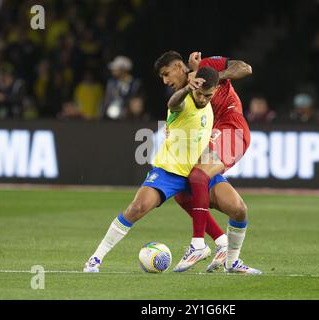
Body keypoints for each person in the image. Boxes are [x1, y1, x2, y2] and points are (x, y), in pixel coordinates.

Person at [83, 67, 221, 273]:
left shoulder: (210, 103)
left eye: (207, 95)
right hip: (169, 171)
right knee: (136, 208)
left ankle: (230, 254)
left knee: (236, 208)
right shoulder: (185, 101)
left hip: (197, 173)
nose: (201, 98)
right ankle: (95, 258)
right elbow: (173, 103)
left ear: (215, 91)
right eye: (198, 93)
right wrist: (185, 90)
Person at [156, 51, 261, 274]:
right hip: (210, 136)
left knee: (197, 176)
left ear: (178, 66)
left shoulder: (206, 66)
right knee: (188, 193)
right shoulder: (184, 93)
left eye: (166, 74)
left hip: (232, 128)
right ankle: (228, 253)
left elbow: (245, 68)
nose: (166, 81)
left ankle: (197, 245)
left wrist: (214, 76)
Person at [100, 55, 142, 120]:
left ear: (123, 69)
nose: (113, 70)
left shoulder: (135, 83)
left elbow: (136, 100)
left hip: (129, 117)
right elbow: (107, 100)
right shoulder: (111, 83)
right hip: (111, 117)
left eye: (116, 68)